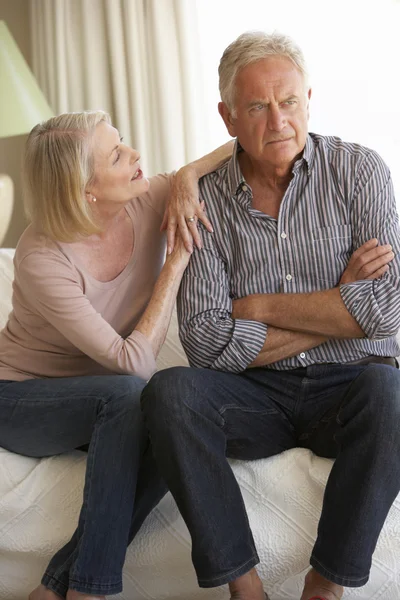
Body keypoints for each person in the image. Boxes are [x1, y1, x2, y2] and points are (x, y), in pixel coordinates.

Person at [142, 32, 400, 600]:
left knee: (392, 389)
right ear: (228, 117)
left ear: (309, 98)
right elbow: (208, 341)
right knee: (171, 392)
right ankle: (246, 587)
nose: (277, 120)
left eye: (288, 102)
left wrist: (255, 308)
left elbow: (385, 310)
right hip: (252, 395)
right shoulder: (201, 199)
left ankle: (325, 584)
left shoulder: (360, 173)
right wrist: (335, 301)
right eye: (257, 106)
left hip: (348, 388)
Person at [0, 110, 232, 600]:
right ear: (86, 189)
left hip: (100, 397)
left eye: (123, 143)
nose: (136, 156)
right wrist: (174, 266)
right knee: (131, 395)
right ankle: (92, 590)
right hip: (20, 398)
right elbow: (132, 365)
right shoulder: (42, 256)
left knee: (173, 423)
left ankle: (59, 584)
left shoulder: (144, 199)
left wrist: (187, 176)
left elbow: (231, 151)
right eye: (117, 155)